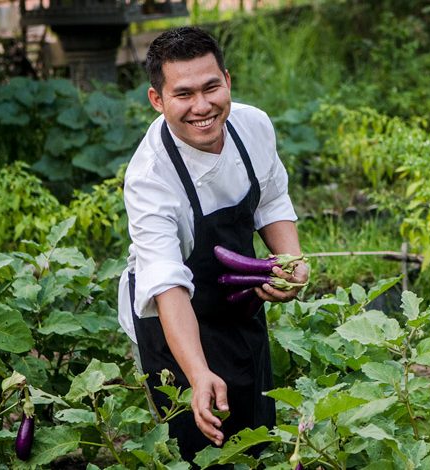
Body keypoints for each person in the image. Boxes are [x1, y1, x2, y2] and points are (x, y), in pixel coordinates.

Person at [116, 26, 309, 464]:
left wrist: (291, 261)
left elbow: (273, 197)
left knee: (258, 425)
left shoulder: (253, 125)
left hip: (241, 300)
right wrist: (198, 373)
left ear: (228, 80)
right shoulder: (150, 178)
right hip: (175, 319)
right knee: (203, 445)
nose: (202, 106)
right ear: (157, 100)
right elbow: (166, 285)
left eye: (211, 87)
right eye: (183, 94)